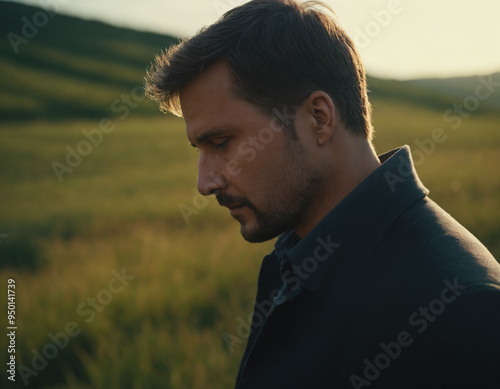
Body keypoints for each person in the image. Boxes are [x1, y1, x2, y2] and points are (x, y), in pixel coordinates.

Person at [144, 0, 500, 387]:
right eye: (200, 150)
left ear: (319, 118)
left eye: (223, 143)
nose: (205, 183)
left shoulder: (462, 307)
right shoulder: (298, 258)